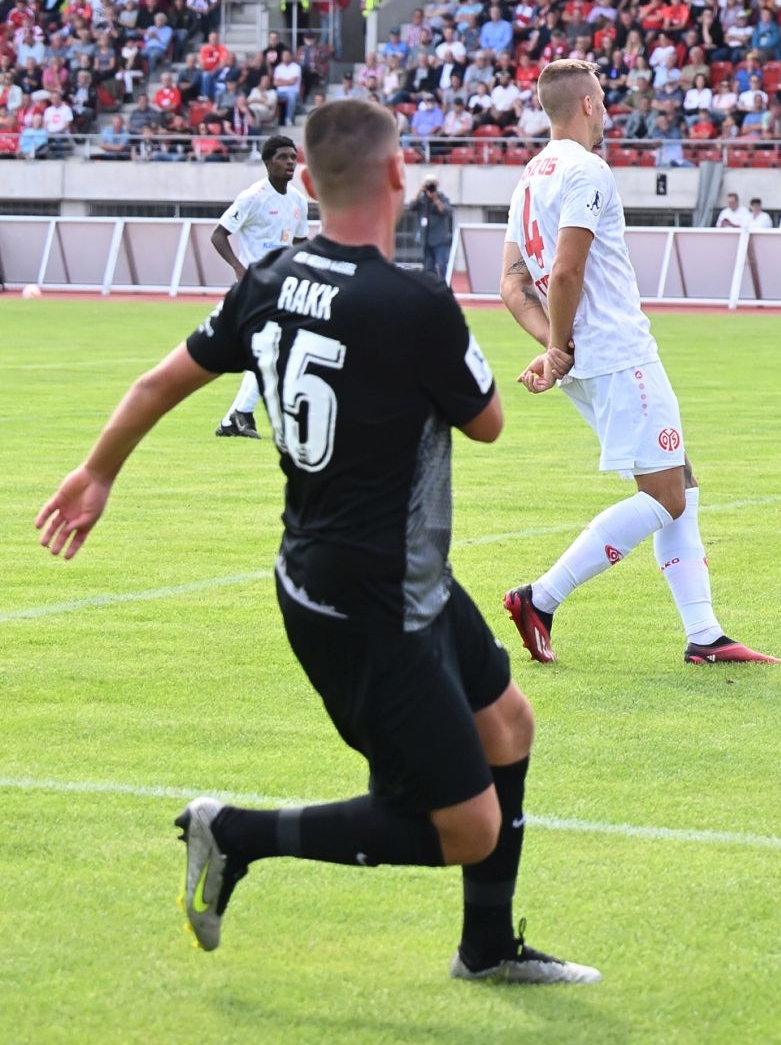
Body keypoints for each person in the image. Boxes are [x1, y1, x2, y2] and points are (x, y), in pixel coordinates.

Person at [33, 98, 598, 984]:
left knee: (510, 725)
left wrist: (97, 472)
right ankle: (238, 835)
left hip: (379, 576)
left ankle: (487, 948)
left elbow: (159, 380)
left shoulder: (268, 283)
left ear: (303, 181)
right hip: (366, 605)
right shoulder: (413, 301)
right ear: (400, 176)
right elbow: (487, 422)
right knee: (469, 826)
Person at [497, 61, 776, 667]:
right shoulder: (586, 169)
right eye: (603, 99)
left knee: (680, 478)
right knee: (666, 495)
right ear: (589, 105)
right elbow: (567, 269)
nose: (608, 110)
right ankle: (540, 597)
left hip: (586, 358)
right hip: (618, 352)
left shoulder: (526, 179)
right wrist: (561, 346)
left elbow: (514, 282)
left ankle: (704, 634)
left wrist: (553, 346)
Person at [209, 136, 307, 439]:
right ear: (268, 163)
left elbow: (300, 243)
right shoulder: (252, 197)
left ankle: (235, 418)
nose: (290, 162)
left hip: (282, 286)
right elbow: (218, 235)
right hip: (255, 287)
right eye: (283, 157)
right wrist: (239, 268)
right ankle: (238, 415)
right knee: (272, 352)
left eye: (293, 157)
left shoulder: (299, 201)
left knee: (271, 353)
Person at [410, 175, 455, 279]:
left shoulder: (442, 198)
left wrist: (435, 199)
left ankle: (445, 286)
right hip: (426, 239)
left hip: (439, 240)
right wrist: (419, 191)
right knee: (428, 267)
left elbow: (446, 211)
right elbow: (411, 206)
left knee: (442, 265)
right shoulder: (422, 200)